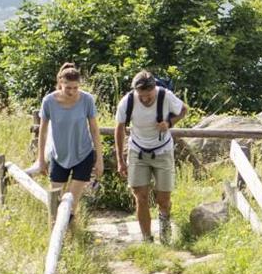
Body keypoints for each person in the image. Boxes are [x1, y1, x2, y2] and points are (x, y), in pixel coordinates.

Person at [114, 69, 185, 243]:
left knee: (163, 199)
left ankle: (165, 233)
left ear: (155, 88)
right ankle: (147, 239)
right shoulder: (128, 101)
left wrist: (169, 123)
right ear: (135, 91)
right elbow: (119, 128)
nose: (146, 99)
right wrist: (120, 161)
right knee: (141, 196)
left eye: (149, 95)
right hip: (138, 151)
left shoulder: (165, 96)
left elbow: (183, 110)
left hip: (163, 151)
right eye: (142, 95)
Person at [37, 63, 102, 223]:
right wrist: (41, 160)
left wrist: (99, 159)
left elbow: (94, 129)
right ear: (61, 83)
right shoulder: (48, 101)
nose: (72, 91)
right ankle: (57, 238)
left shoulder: (87, 99)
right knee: (56, 203)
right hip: (59, 155)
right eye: (68, 88)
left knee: (71, 203)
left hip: (83, 154)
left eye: (75, 87)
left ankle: (68, 236)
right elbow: (42, 132)